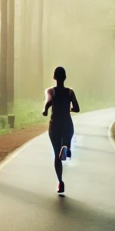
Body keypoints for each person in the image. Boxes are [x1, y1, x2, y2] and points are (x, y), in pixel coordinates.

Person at [42, 66, 79, 194]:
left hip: (55, 124)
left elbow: (49, 101)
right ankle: (67, 148)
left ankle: (60, 182)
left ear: (54, 77)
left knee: (56, 155)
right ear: (65, 78)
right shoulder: (70, 92)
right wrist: (70, 109)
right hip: (67, 123)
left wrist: (45, 110)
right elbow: (77, 108)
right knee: (66, 144)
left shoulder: (50, 91)